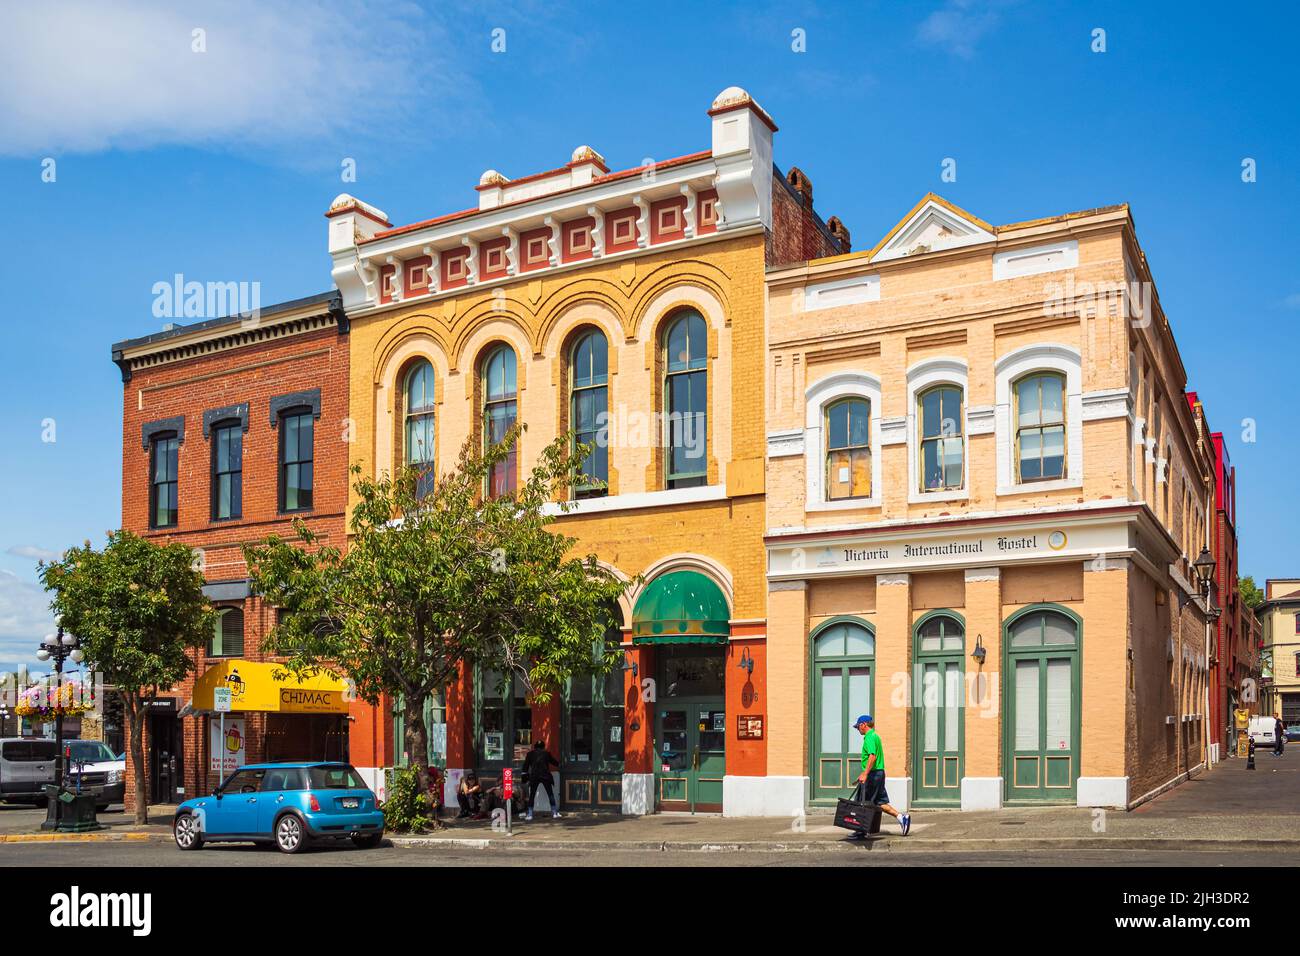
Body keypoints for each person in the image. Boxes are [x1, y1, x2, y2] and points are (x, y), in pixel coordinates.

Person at [853, 715, 910, 837]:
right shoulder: (875, 736)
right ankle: (901, 817)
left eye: (858, 727)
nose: (858, 729)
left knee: (861, 802)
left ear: (864, 724)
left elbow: (872, 756)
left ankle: (861, 830)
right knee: (879, 802)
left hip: (873, 775)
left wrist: (865, 773)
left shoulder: (869, 737)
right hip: (878, 773)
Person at [523, 739, 561, 821]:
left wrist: (524, 777)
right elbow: (554, 762)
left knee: (532, 795)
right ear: (543, 747)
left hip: (534, 776)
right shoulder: (546, 754)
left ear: (535, 747)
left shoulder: (530, 754)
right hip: (545, 776)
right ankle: (554, 813)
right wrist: (561, 764)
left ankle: (530, 814)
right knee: (550, 794)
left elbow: (525, 766)